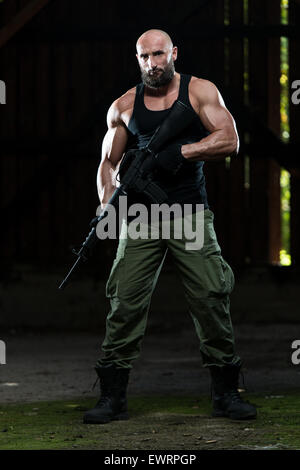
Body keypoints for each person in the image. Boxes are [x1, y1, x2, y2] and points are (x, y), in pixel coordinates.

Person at [83, 29, 256, 424]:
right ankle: (112, 396)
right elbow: (108, 163)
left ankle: (226, 393)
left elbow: (229, 140)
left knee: (211, 295)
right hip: (141, 219)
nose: (152, 64)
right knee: (124, 300)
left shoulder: (198, 92)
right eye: (144, 57)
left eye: (158, 54)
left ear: (173, 52)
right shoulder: (124, 105)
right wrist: (107, 204)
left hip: (190, 214)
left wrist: (183, 152)